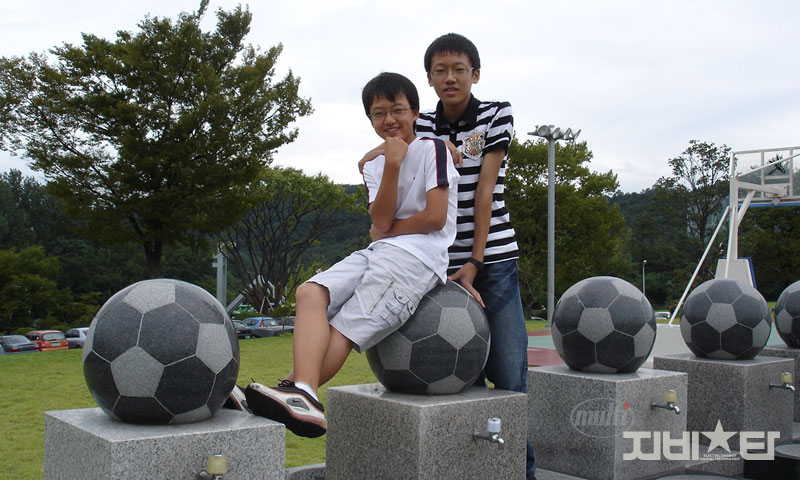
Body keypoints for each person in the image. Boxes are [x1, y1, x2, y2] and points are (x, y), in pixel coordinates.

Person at [244, 72, 460, 439]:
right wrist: (391, 165)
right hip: (377, 251)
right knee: (310, 292)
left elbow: (435, 218)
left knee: (344, 328)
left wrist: (387, 230)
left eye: (398, 110)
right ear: (370, 119)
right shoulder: (373, 165)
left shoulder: (433, 150)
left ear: (415, 112)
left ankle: (297, 392)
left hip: (416, 261)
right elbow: (380, 220)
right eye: (379, 113)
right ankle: (300, 392)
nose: (389, 120)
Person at [359, 33, 536, 479]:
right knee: (461, 375)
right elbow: (391, 150)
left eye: (459, 69)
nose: (450, 78)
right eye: (440, 71)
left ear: (475, 74)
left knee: (509, 373)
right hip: (438, 260)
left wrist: (475, 262)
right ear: (429, 79)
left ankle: (523, 470)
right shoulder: (423, 122)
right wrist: (376, 155)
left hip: (491, 259)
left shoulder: (496, 114)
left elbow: (484, 190)